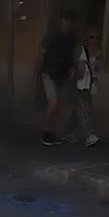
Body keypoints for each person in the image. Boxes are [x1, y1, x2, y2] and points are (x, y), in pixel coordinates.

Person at [36, 11, 78, 146]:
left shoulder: (71, 37)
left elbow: (70, 54)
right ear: (62, 21)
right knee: (53, 103)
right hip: (48, 72)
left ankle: (50, 131)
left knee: (58, 106)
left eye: (70, 22)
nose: (67, 24)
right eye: (66, 21)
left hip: (61, 75)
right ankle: (45, 131)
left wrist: (72, 67)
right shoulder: (53, 34)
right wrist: (38, 69)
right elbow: (42, 51)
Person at [68, 26, 101, 147]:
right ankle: (89, 135)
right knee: (84, 109)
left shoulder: (98, 51)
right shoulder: (81, 49)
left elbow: (97, 69)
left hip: (89, 84)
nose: (94, 40)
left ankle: (68, 131)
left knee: (79, 110)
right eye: (91, 37)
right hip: (79, 84)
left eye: (97, 37)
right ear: (87, 38)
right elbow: (72, 63)